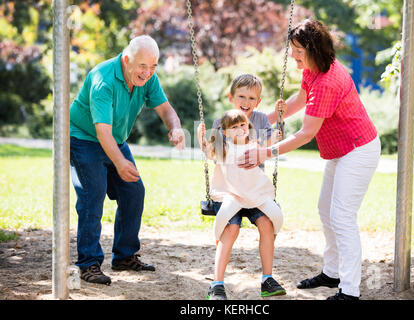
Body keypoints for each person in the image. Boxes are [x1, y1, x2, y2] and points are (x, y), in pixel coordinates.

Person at [238, 19, 381, 300]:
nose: (293, 56)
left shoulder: (328, 81)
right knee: (326, 210)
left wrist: (264, 152)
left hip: (358, 150)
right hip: (343, 150)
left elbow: (305, 134)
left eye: (298, 50)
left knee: (342, 217)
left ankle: (350, 291)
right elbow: (299, 100)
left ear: (313, 49)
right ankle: (332, 273)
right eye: (292, 49)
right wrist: (260, 121)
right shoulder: (313, 71)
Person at [70, 35, 185, 285]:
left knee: (134, 192)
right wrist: (120, 163)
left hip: (116, 140)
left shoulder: (148, 78)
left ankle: (124, 256)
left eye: (153, 66)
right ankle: (88, 263)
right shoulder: (103, 80)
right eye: (143, 66)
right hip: (84, 139)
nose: (148, 72)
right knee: (93, 195)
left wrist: (175, 127)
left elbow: (165, 110)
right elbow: (102, 131)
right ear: (126, 59)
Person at [199, 109, 285, 300]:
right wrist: (200, 137)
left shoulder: (255, 145)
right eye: (234, 127)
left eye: (242, 125)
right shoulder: (223, 147)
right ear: (226, 132)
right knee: (228, 227)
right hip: (232, 194)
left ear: (249, 127)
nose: (239, 129)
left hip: (256, 194)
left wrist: (278, 133)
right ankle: (217, 284)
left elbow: (271, 146)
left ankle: (268, 280)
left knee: (273, 220)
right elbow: (208, 153)